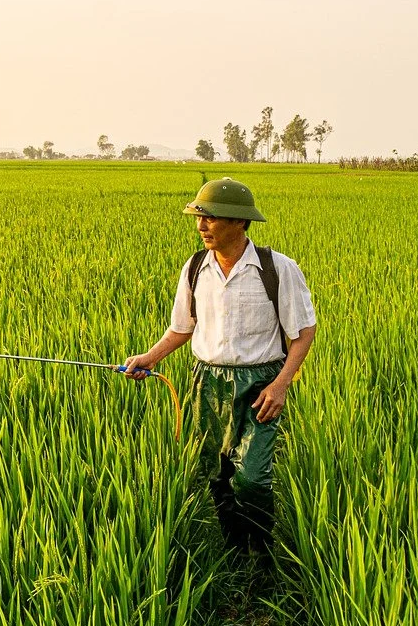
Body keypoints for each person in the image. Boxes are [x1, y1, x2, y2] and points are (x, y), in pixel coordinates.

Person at [124, 178, 317, 557]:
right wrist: (149, 357)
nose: (201, 226)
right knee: (217, 474)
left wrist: (281, 385)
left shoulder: (276, 268)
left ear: (241, 222)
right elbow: (183, 327)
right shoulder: (196, 268)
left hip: (261, 384)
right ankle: (234, 548)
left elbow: (304, 331)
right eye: (199, 217)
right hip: (207, 382)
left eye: (211, 218)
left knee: (253, 478)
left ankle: (261, 549)